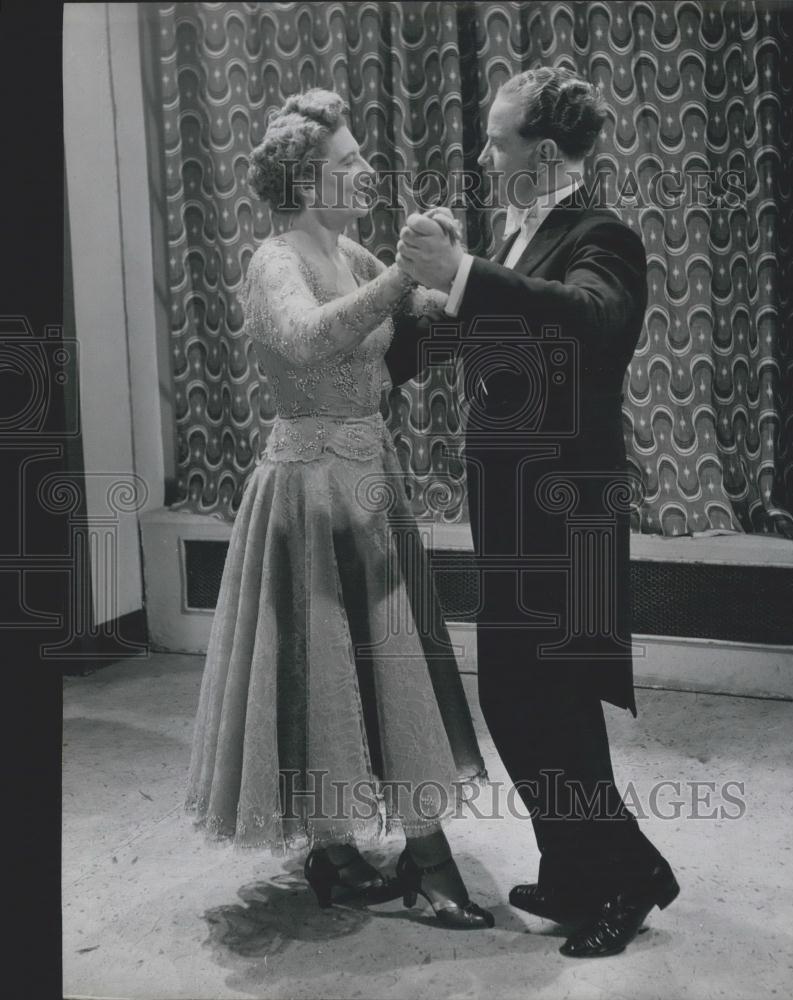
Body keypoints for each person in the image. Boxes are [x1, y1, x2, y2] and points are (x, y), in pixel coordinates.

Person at [184, 88, 493, 930]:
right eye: (349, 162)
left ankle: (337, 850)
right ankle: (421, 864)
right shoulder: (274, 258)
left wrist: (454, 273)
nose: (365, 172)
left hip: (364, 478)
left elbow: (434, 314)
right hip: (309, 488)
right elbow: (304, 337)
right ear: (302, 178)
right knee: (325, 663)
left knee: (377, 664)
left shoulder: (351, 252)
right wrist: (402, 274)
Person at [395, 67, 679, 957]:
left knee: (550, 702)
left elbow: (591, 322)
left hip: (568, 513)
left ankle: (627, 878)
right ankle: (577, 868)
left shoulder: (601, 235)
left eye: (496, 140)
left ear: (542, 152)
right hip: (515, 511)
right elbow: (475, 332)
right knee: (522, 702)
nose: (483, 154)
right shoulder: (517, 242)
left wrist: (468, 274)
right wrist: (404, 301)